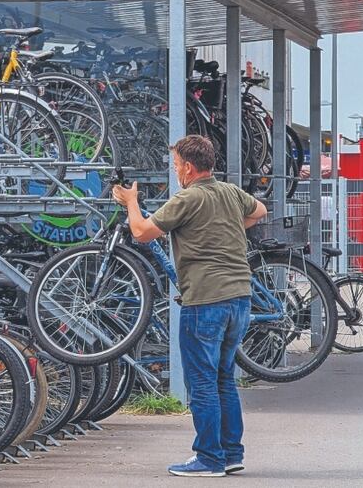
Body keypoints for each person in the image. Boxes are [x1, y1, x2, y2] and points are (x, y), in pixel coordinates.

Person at [112, 135, 267, 477]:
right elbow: (260, 211)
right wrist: (225, 230)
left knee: (202, 383)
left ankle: (209, 458)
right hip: (239, 298)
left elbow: (141, 232)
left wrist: (131, 201)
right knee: (224, 378)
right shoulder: (229, 191)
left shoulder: (188, 197)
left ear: (189, 168)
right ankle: (230, 453)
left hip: (205, 299)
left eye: (176, 165)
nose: (175, 170)